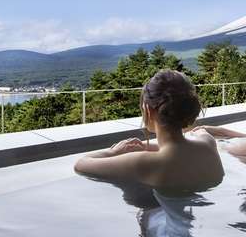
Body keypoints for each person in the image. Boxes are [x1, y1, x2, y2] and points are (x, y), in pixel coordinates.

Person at [74, 69, 224, 190]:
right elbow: (185, 145)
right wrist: (148, 146)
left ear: (147, 109)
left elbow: (81, 164)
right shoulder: (209, 144)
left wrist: (114, 152)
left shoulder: (142, 163)